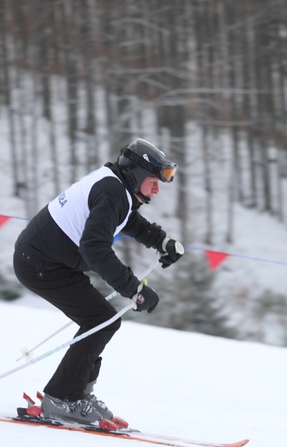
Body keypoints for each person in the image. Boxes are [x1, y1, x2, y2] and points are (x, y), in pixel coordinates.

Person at [13, 138, 185, 426]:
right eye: (154, 181)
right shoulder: (111, 192)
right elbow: (94, 249)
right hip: (40, 263)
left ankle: (75, 393)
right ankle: (63, 398)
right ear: (137, 175)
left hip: (48, 260)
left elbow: (126, 220)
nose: (157, 188)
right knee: (100, 320)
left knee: (101, 319)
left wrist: (161, 241)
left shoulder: (116, 189)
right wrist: (134, 289)